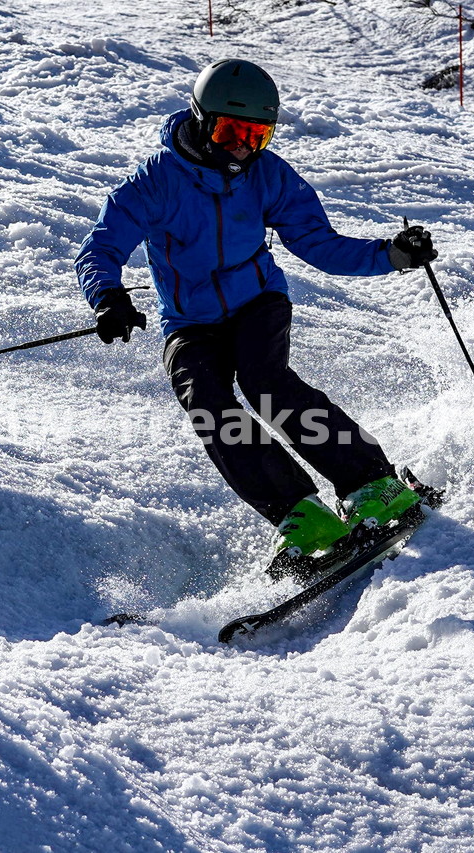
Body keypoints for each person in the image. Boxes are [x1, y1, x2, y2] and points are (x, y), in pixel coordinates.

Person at [75, 58, 438, 572]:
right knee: (208, 404)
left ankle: (371, 484)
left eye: (257, 135)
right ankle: (302, 513)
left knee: (265, 380)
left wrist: (393, 255)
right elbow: (101, 248)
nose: (243, 147)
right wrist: (108, 298)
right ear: (201, 121)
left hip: (257, 302)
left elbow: (319, 244)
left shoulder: (267, 175)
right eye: (229, 131)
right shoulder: (156, 182)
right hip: (190, 322)